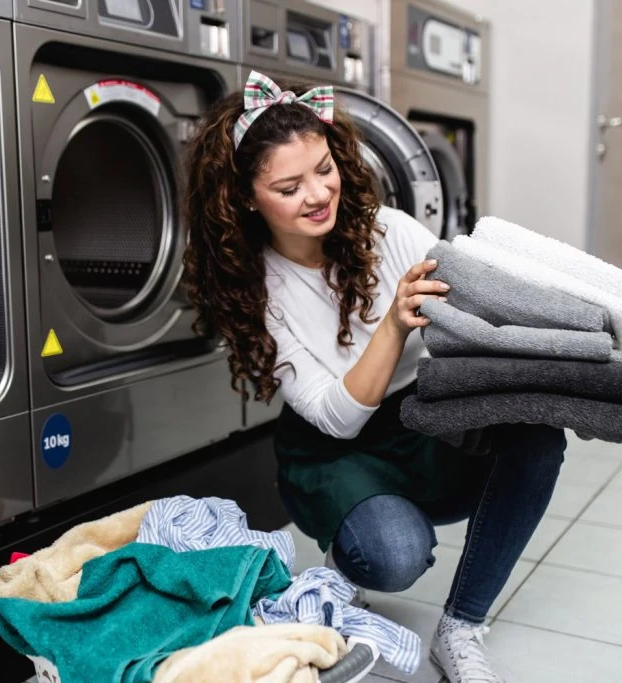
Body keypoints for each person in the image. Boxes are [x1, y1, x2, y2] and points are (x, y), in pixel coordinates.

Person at [180, 71, 566, 683]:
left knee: (539, 437)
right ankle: (348, 557)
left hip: (422, 417)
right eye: (289, 185)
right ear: (247, 199)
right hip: (334, 449)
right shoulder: (256, 289)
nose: (318, 194)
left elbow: (467, 309)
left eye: (324, 169)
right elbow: (340, 416)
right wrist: (393, 323)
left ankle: (462, 626)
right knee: (394, 555)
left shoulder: (389, 230)